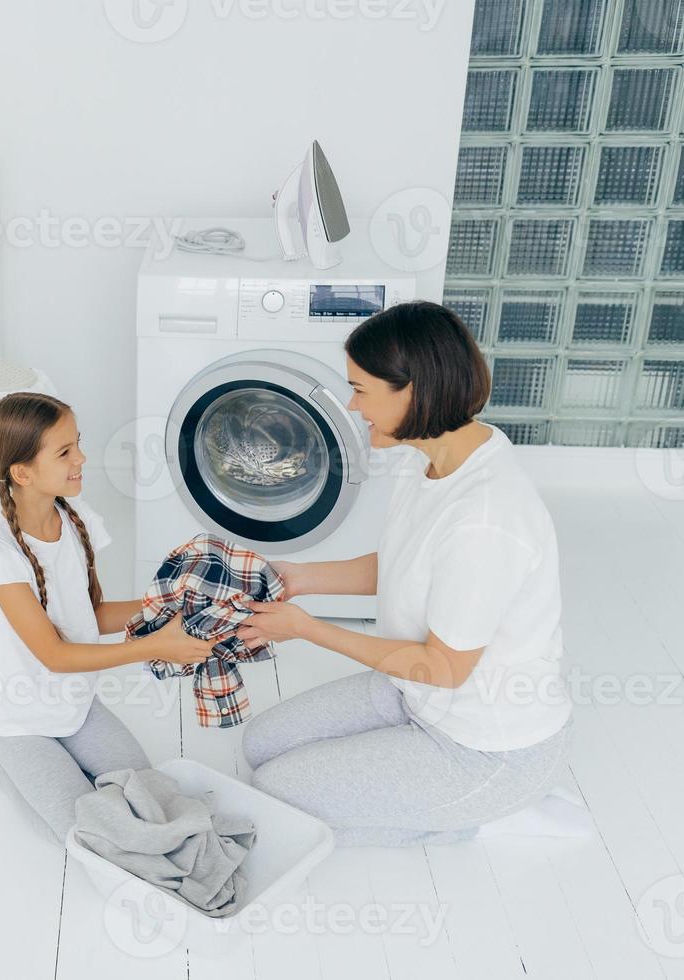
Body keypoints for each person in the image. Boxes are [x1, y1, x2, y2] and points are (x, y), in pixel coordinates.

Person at [235, 300, 575, 847]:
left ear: (413, 390)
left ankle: (478, 813)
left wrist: (306, 628)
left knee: (277, 792)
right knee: (260, 748)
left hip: (484, 745)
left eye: (361, 389)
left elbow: (442, 668)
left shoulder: (484, 520)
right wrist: (298, 577)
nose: (351, 404)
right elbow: (407, 561)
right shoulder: (436, 460)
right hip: (413, 694)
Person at [0, 391, 208, 840]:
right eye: (66, 451)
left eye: (78, 444)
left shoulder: (73, 521)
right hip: (18, 723)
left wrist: (172, 604)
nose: (82, 458)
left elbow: (91, 615)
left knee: (148, 793)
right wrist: (154, 646)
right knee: (85, 831)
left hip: (75, 705)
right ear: (22, 472)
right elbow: (55, 654)